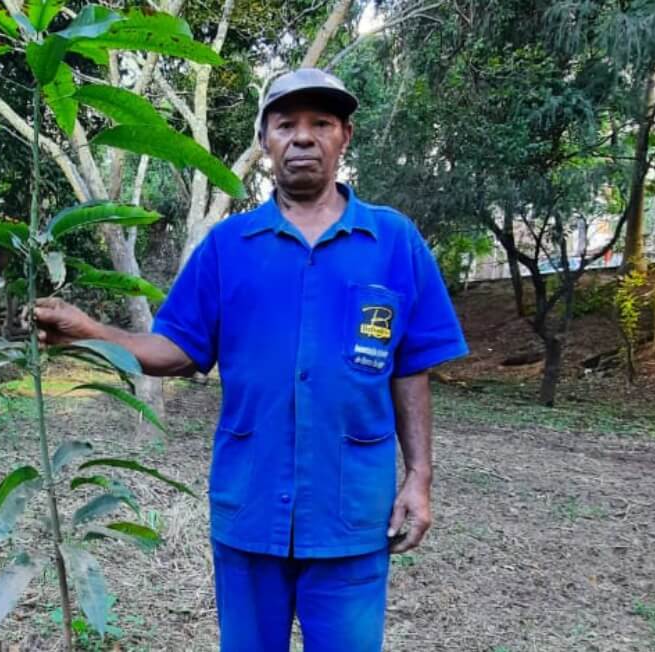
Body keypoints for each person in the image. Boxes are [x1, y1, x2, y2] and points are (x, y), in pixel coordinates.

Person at [34, 68, 468, 652]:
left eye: (321, 124)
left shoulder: (393, 242)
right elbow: (178, 352)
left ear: (345, 136)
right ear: (265, 143)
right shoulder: (227, 247)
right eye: (286, 124)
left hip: (352, 516)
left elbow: (411, 366)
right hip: (251, 507)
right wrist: (88, 333)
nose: (304, 137)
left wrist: (418, 478)